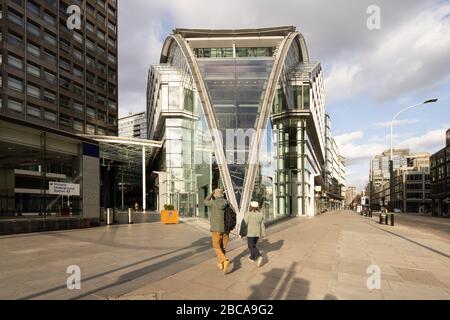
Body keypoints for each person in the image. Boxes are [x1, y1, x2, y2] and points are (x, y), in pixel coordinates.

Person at [204, 189, 231, 274]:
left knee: (216, 246)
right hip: (226, 228)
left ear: (215, 195)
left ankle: (224, 260)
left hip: (216, 228)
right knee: (223, 247)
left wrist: (211, 194)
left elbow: (205, 201)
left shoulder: (213, 202)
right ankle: (221, 264)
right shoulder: (227, 202)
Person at [240, 201, 266, 267]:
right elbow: (262, 225)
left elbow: (244, 224)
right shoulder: (260, 214)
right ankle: (252, 257)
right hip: (257, 233)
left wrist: (241, 232)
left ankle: (259, 256)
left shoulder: (248, 214)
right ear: (257, 207)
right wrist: (263, 233)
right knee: (253, 245)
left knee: (250, 246)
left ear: (251, 206)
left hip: (250, 233)